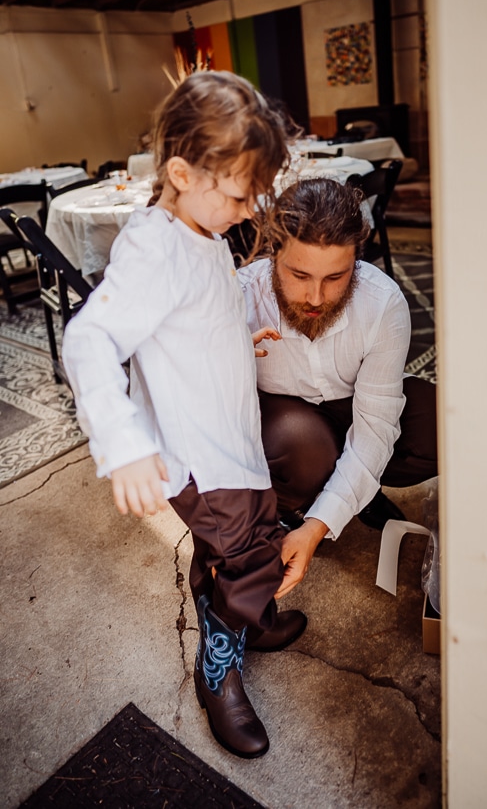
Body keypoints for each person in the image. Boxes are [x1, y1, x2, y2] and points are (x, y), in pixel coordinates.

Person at [62, 71, 307, 760]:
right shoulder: (155, 246)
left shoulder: (199, 231)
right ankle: (218, 667)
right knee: (241, 560)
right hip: (198, 454)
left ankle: (250, 619)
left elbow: (192, 316)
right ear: (180, 171)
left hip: (235, 442)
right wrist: (123, 444)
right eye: (238, 193)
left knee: (252, 535)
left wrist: (238, 336)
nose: (248, 207)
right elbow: (91, 338)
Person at [238, 176, 438, 599]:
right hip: (284, 424)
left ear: (357, 262)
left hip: (353, 403)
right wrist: (228, 353)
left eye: (335, 277)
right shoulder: (237, 296)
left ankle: (349, 496)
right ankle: (295, 503)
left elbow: (375, 429)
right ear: (273, 253)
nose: (315, 297)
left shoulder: (382, 302)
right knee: (307, 447)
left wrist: (318, 528)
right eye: (299, 274)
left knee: (443, 424)